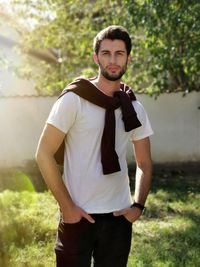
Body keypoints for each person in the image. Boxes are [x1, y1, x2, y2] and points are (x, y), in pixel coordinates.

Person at [35, 25, 153, 267]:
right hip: (78, 215)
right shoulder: (74, 100)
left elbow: (144, 163)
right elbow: (43, 154)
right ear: (95, 57)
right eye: (106, 53)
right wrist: (67, 208)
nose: (113, 60)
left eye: (119, 53)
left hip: (119, 217)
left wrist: (138, 206)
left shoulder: (134, 107)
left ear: (129, 58)